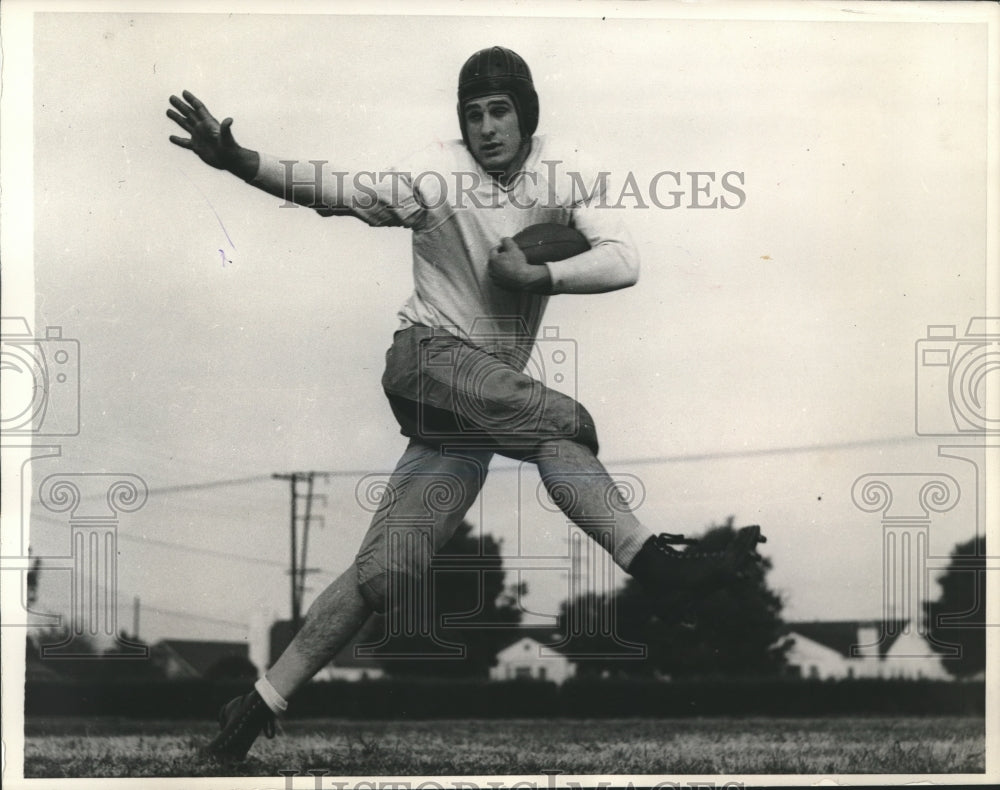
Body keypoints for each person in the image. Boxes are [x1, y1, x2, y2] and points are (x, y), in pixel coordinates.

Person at [166, 46, 765, 761]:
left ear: (526, 113)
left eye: (499, 110)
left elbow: (624, 260)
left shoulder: (565, 175)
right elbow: (339, 192)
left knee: (385, 574)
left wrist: (539, 271)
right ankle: (662, 569)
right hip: (427, 363)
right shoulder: (439, 174)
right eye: (474, 113)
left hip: (473, 414)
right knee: (565, 422)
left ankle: (252, 707)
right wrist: (241, 162)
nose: (486, 127)